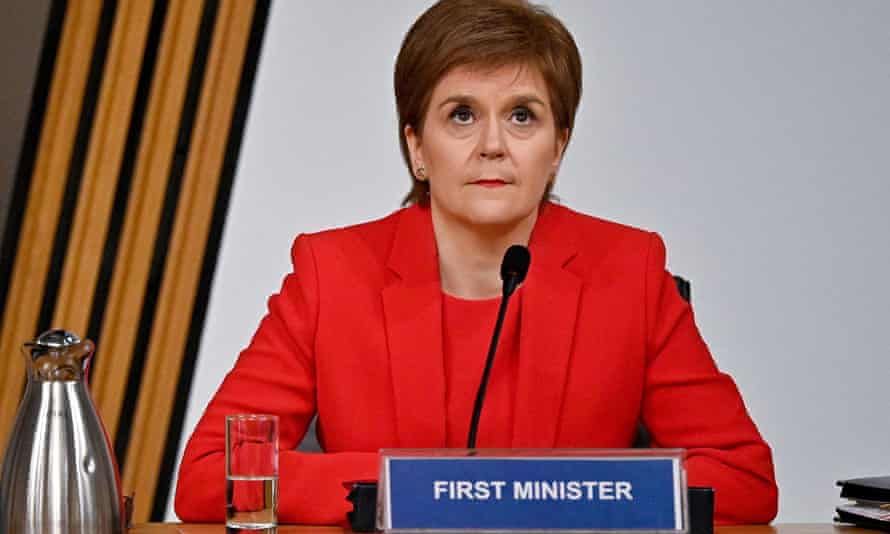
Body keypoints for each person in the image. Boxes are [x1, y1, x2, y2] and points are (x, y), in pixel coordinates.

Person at [175, 0, 778, 526]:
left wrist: (526, 497)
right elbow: (209, 477)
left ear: (558, 146)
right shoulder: (331, 272)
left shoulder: (630, 271)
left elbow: (743, 481)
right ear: (416, 146)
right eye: (461, 114)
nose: (493, 143)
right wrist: (417, 490)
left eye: (523, 115)